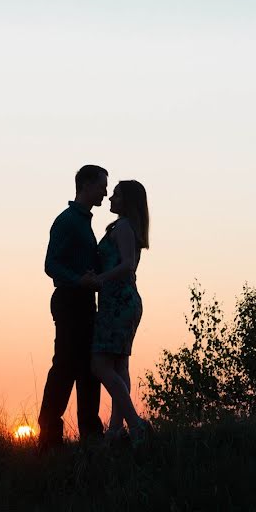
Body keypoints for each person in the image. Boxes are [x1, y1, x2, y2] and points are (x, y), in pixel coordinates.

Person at [37, 164, 108, 450]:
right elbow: (50, 264)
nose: (105, 191)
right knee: (65, 366)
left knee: (89, 369)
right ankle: (49, 436)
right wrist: (79, 281)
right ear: (87, 184)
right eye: (102, 185)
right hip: (69, 301)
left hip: (84, 302)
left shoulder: (84, 222)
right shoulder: (67, 221)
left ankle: (90, 436)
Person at [90, 180, 152, 444]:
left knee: (99, 365)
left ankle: (135, 425)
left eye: (116, 194)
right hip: (119, 301)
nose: (110, 197)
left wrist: (100, 279)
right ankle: (115, 431)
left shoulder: (124, 226)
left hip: (119, 302)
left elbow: (128, 265)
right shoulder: (122, 226)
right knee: (118, 366)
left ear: (126, 200)